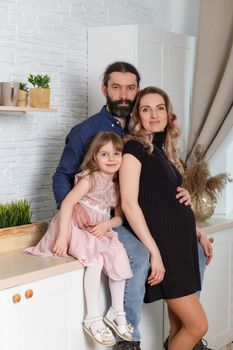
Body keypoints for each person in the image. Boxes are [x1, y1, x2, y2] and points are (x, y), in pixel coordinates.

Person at [52, 61, 212, 350]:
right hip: (113, 217)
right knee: (139, 256)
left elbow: (162, 192)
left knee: (198, 259)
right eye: (116, 87)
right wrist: (72, 212)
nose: (124, 94)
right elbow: (66, 176)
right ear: (105, 90)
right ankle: (129, 338)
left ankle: (186, 335)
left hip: (157, 227)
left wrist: (194, 224)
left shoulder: (156, 143)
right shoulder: (106, 137)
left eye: (130, 88)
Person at [119, 86, 209, 350]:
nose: (154, 114)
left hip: (182, 247)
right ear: (138, 115)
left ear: (169, 114)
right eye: (146, 109)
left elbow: (168, 200)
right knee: (197, 326)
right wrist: (154, 252)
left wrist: (198, 231)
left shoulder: (162, 151)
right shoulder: (134, 148)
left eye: (160, 108)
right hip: (166, 248)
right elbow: (129, 203)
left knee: (180, 327)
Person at [25, 131, 134, 347]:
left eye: (116, 153)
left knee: (120, 256)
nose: (111, 159)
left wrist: (106, 224)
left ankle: (116, 311)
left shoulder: (118, 186)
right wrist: (62, 238)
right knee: (96, 260)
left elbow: (120, 218)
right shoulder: (90, 179)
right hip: (75, 227)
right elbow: (67, 204)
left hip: (98, 229)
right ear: (95, 157)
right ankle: (92, 317)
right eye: (104, 154)